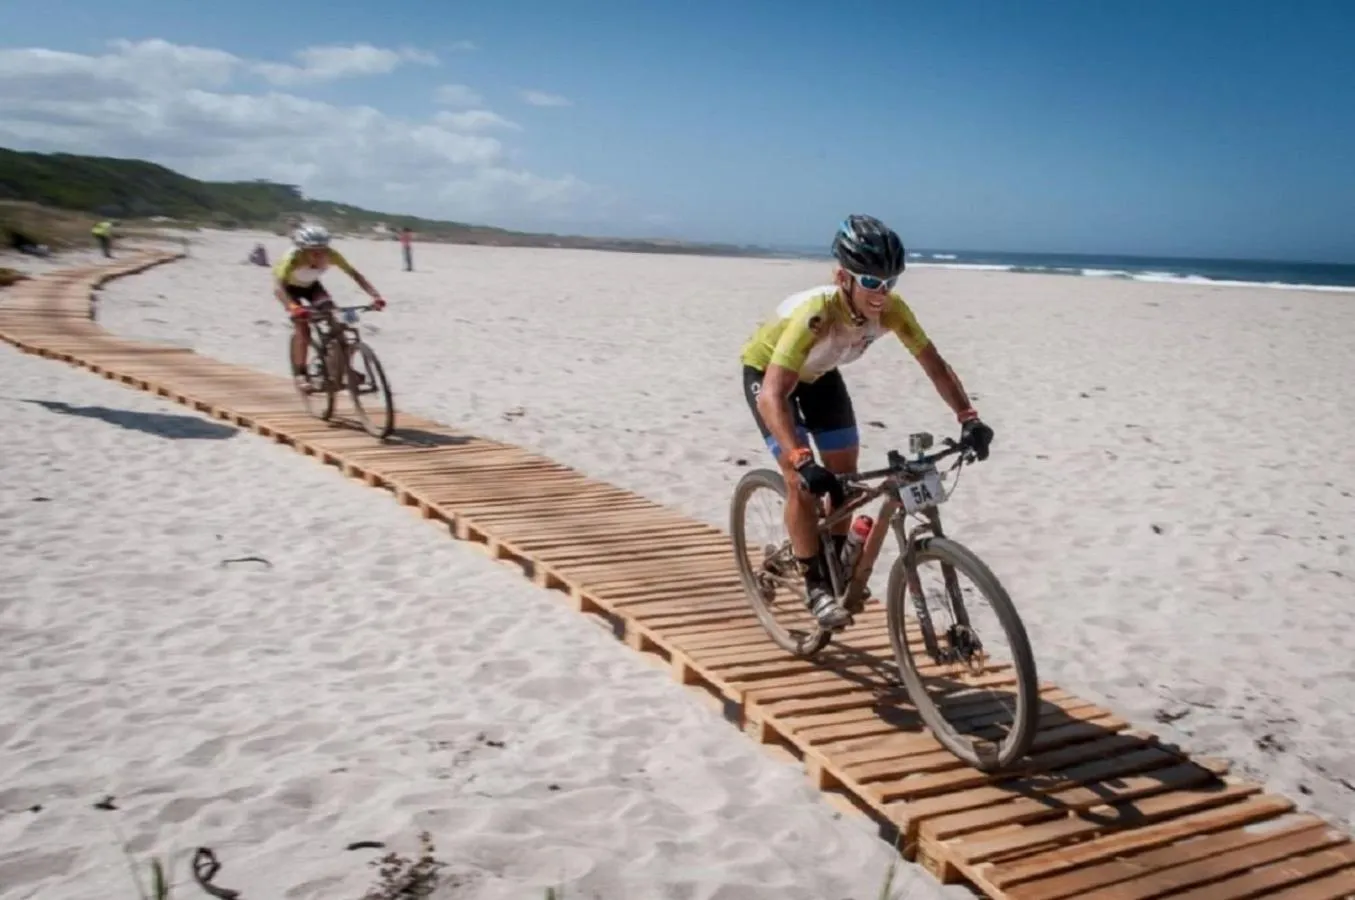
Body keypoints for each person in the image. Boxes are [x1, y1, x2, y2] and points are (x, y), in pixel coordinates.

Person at [738, 214, 994, 630]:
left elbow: (935, 366)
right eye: (871, 282)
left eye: (890, 282)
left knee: (844, 480)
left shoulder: (892, 311)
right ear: (844, 277)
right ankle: (816, 584)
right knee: (800, 479)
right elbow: (772, 395)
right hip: (769, 377)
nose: (882, 293)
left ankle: (838, 561)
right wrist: (802, 458)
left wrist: (969, 417)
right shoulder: (817, 314)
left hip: (820, 375)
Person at [273, 223, 386, 390]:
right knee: (303, 329)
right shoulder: (292, 258)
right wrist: (293, 307)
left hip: (312, 287)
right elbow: (278, 287)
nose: (319, 254)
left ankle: (339, 367)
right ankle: (300, 374)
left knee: (336, 321)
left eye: (323, 249)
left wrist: (375, 296)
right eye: (313, 250)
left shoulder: (331, 255)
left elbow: (355, 275)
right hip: (289, 290)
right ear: (302, 249)